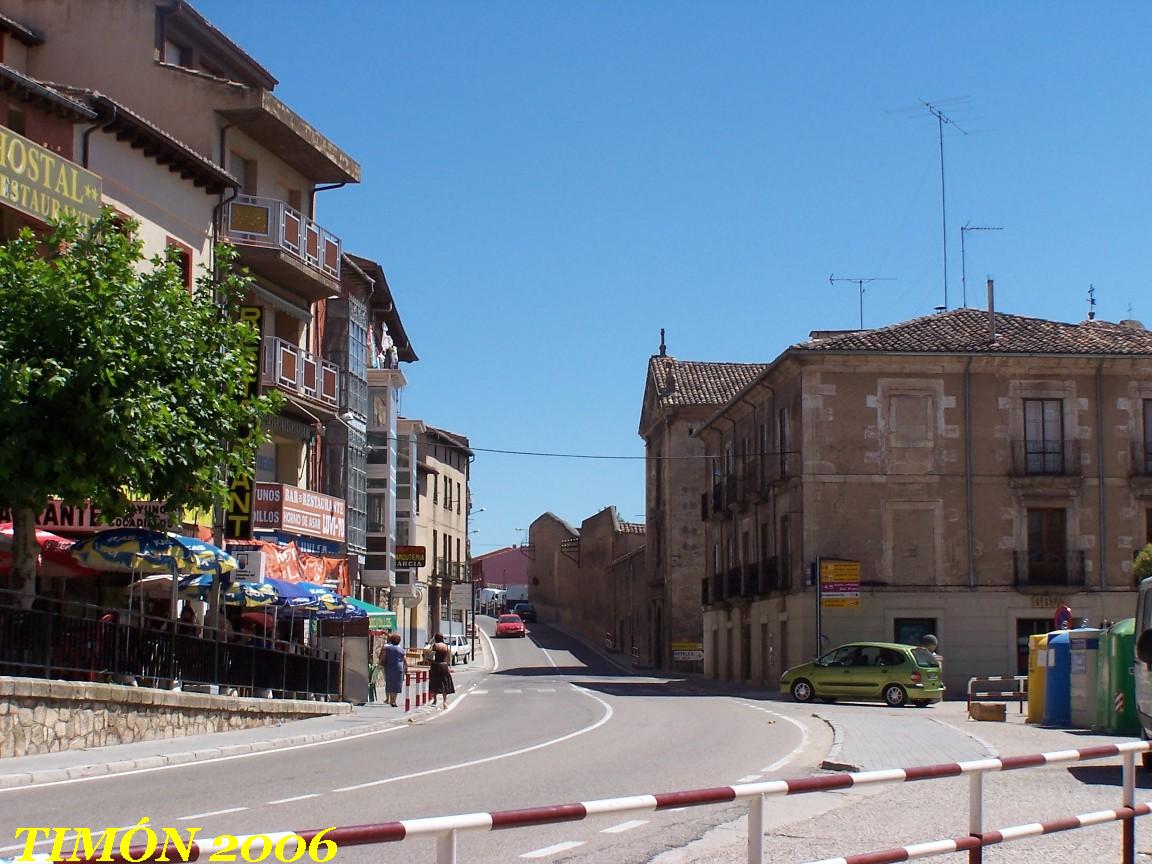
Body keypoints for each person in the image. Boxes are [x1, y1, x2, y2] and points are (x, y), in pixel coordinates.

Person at [427, 632, 455, 709]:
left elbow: (429, 656)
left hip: (436, 665)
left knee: (435, 682)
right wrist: (448, 665)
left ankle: (435, 700)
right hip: (444, 665)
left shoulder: (435, 646)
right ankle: (445, 702)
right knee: (445, 683)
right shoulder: (446, 646)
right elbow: (449, 657)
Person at [382, 632, 407, 708]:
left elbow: (383, 657)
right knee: (396, 685)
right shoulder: (401, 649)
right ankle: (393, 701)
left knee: (389, 683)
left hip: (389, 668)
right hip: (398, 668)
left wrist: (380, 664)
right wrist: (406, 669)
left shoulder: (387, 648)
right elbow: (405, 660)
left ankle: (390, 700)